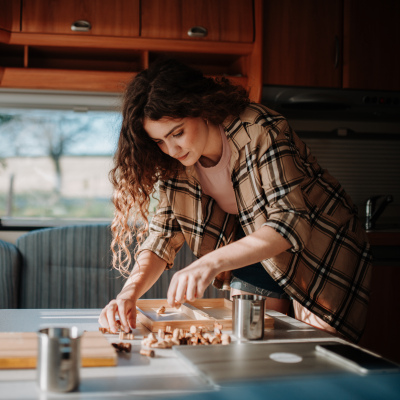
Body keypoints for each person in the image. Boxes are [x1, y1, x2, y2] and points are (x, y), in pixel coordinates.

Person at [98, 59, 372, 343]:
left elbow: (289, 221)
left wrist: (209, 263)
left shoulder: (259, 129)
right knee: (250, 340)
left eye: (177, 133)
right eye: (159, 142)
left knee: (318, 352)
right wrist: (128, 294)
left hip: (323, 246)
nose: (171, 149)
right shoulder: (175, 164)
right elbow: (162, 236)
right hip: (256, 244)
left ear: (201, 108)